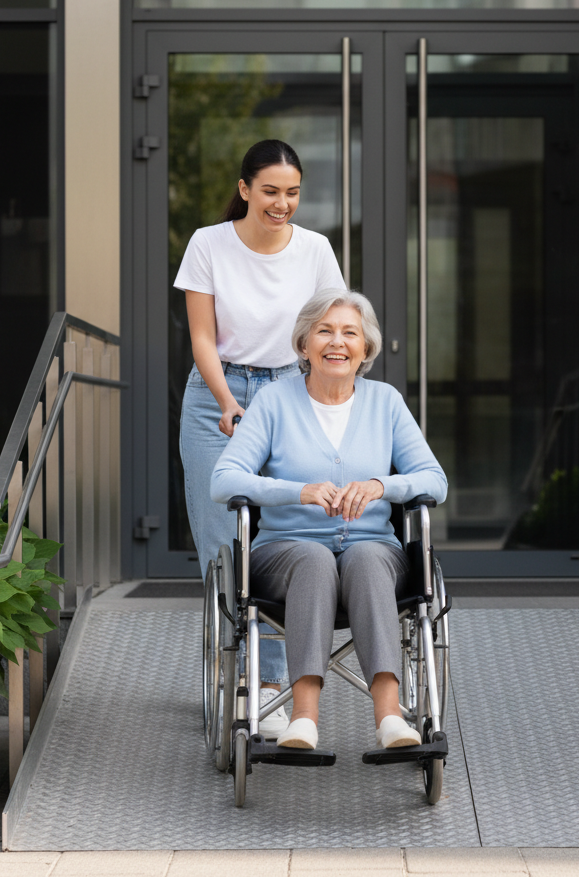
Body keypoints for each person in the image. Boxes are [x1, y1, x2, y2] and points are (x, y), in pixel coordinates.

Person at [210, 289, 447, 750]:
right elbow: (224, 479)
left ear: (365, 349)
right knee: (315, 559)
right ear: (304, 345)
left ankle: (390, 720)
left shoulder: (386, 402)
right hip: (285, 555)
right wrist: (299, 492)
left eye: (349, 333)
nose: (337, 342)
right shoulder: (275, 402)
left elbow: (434, 480)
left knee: (366, 557)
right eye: (324, 330)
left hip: (373, 552)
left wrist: (382, 485)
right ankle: (303, 721)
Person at [175, 140, 345, 738]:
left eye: (292, 192)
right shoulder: (209, 243)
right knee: (223, 541)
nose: (282, 203)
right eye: (270, 191)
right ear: (245, 189)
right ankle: (233, 669)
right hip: (214, 397)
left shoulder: (317, 251)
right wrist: (227, 403)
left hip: (287, 394)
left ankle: (271, 683)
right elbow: (202, 337)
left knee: (279, 539)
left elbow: (330, 332)